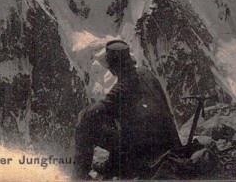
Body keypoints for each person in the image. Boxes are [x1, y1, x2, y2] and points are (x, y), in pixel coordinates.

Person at [73, 40, 181, 180]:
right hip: (169, 147)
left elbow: (92, 114)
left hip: (144, 159)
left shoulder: (123, 88)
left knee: (86, 125)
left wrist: (83, 115)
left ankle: (78, 178)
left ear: (112, 67)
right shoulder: (146, 73)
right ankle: (113, 164)